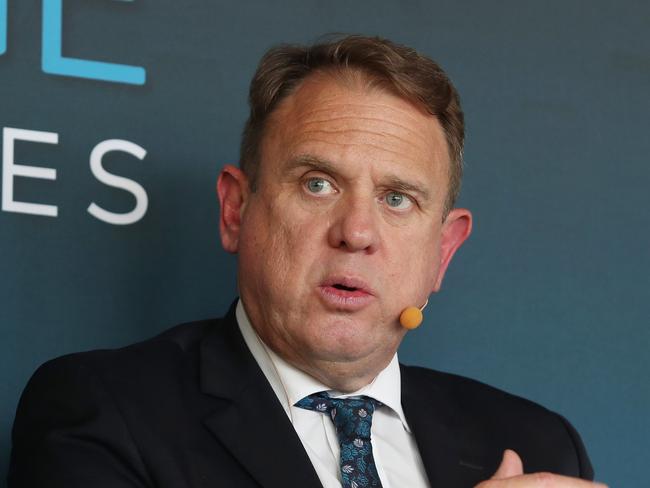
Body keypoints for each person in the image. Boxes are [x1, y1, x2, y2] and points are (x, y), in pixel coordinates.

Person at [8, 35, 606, 488]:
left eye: (397, 199)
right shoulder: (101, 410)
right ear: (237, 210)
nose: (357, 232)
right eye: (318, 184)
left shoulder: (537, 444)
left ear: (443, 252)